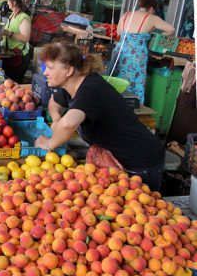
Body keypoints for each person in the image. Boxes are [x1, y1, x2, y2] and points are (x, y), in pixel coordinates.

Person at [34, 42, 165, 190]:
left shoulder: (90, 89)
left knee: (140, 207)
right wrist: (57, 119)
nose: (45, 73)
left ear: (69, 70)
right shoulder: (70, 85)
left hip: (138, 161)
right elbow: (54, 102)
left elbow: (68, 124)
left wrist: (50, 144)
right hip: (114, 160)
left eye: (50, 68)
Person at [111, 0, 175, 104]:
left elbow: (119, 32)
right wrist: (156, 35)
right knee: (136, 82)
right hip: (137, 55)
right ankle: (133, 106)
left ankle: (114, 104)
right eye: (153, 10)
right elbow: (171, 30)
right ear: (150, 8)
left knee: (118, 80)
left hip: (120, 51)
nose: (153, 12)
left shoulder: (126, 15)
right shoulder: (151, 18)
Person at [1, 0, 32, 83]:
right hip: (10, 55)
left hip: (19, 57)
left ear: (14, 2)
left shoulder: (24, 17)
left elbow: (25, 38)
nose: (7, 3)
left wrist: (9, 33)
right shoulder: (12, 15)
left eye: (8, 1)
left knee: (14, 84)